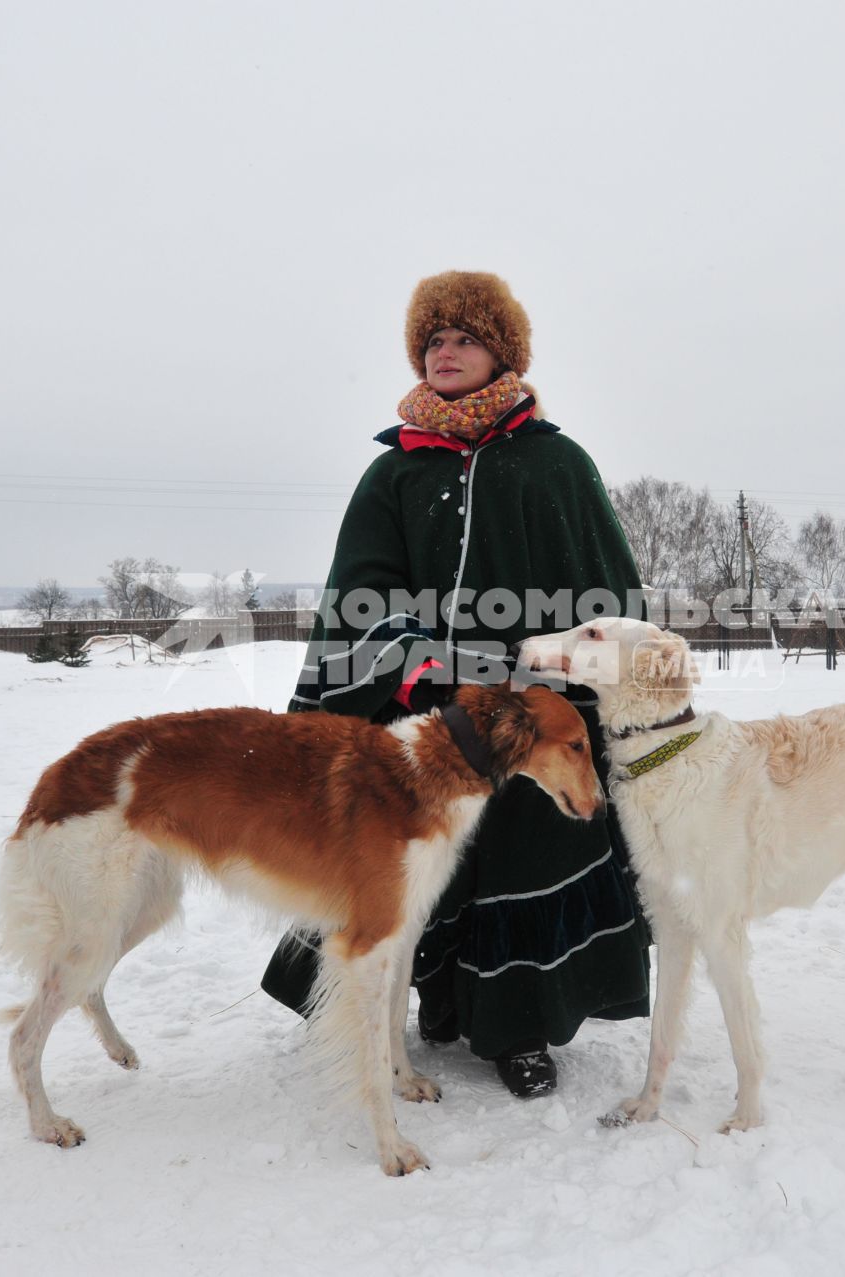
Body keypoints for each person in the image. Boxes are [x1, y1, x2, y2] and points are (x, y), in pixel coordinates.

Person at [261, 270, 651, 1098]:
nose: (446, 350)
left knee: (518, 849)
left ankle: (518, 1028)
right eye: (434, 339)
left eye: (464, 337)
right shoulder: (394, 473)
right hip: (421, 708)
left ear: (499, 352)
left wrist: (560, 665)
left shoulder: (556, 464)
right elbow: (357, 588)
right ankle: (432, 1001)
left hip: (528, 705)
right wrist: (406, 652)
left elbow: (607, 592)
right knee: (412, 853)